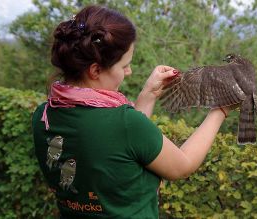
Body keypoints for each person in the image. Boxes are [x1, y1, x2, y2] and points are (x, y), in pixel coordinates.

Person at [32, 5, 230, 219]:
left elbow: (119, 153)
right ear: (95, 70)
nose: (129, 71)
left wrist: (147, 97)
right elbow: (182, 166)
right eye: (124, 65)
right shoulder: (124, 122)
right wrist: (220, 109)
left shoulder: (43, 115)